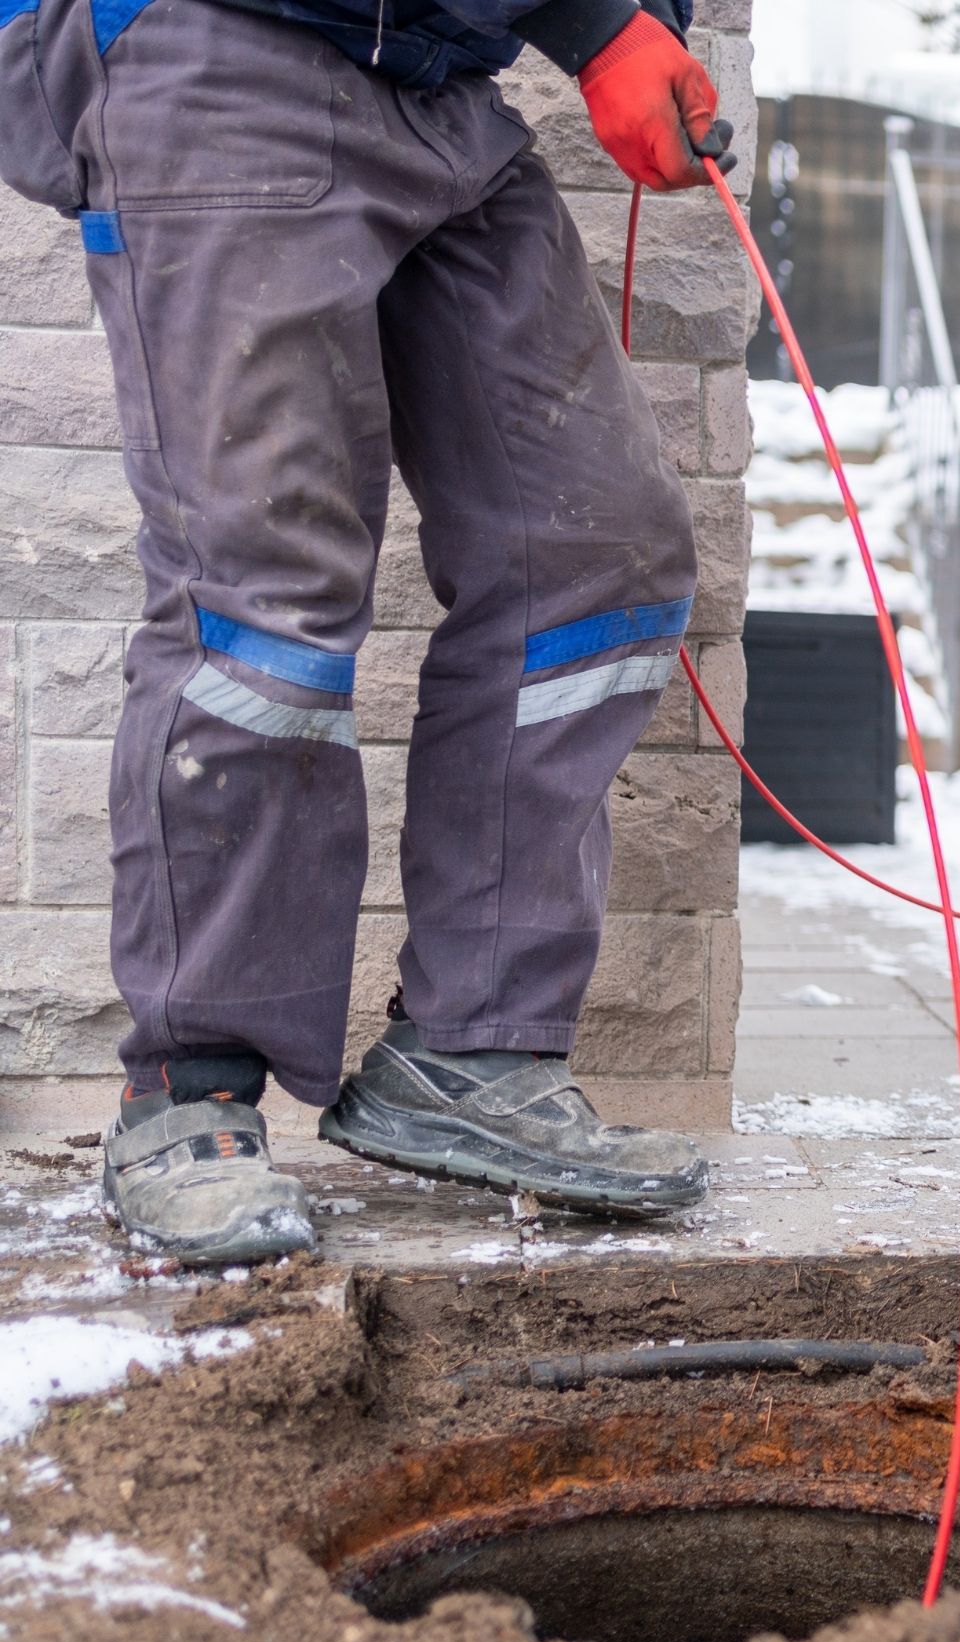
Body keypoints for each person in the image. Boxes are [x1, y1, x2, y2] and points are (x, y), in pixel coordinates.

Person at [0, 0, 736, 1264]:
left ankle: (469, 1050)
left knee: (591, 552)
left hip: (437, 81)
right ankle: (188, 1093)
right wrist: (592, 21)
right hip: (223, 42)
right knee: (264, 595)